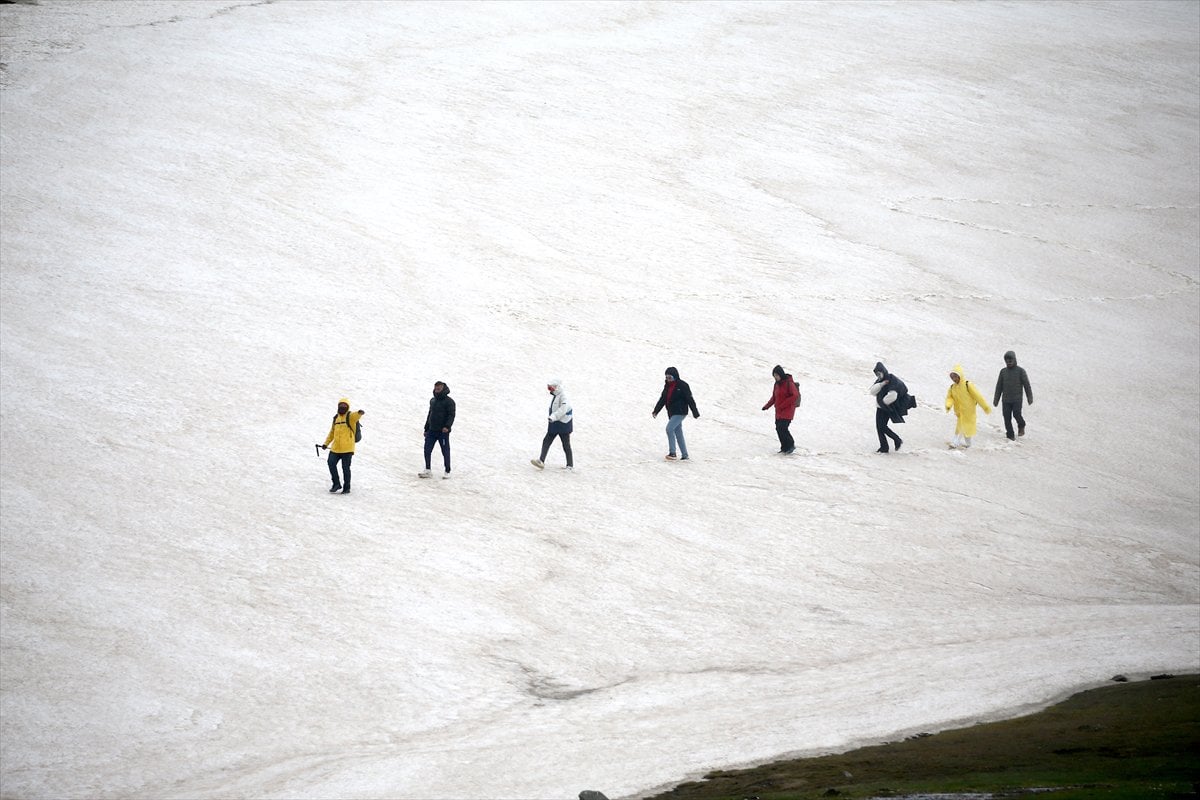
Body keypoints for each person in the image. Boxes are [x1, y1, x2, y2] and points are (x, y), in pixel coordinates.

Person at [652, 366, 699, 461]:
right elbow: (663, 399)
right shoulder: (667, 386)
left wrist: (695, 412)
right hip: (672, 412)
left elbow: (690, 399)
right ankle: (685, 455)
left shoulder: (683, 385)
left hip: (680, 412)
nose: (668, 379)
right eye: (667, 377)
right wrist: (656, 410)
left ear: (675, 377)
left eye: (670, 377)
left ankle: (672, 453)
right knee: (678, 432)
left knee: (669, 429)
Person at [320, 398, 364, 493]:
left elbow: (355, 415)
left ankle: (346, 488)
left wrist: (359, 413)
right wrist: (325, 444)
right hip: (335, 448)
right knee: (331, 463)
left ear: (347, 407)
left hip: (347, 449)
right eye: (341, 405)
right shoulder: (336, 418)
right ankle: (336, 484)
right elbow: (332, 432)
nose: (342, 407)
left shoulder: (350, 417)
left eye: (344, 406)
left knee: (345, 468)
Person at [869, 362, 912, 453]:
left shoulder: (892, 380)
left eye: (879, 373)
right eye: (877, 374)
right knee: (879, 427)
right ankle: (884, 447)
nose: (878, 376)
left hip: (887, 407)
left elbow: (893, 396)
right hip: (880, 407)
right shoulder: (880, 381)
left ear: (883, 371)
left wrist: (883, 403)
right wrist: (881, 384)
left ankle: (897, 440)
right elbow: (872, 392)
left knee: (882, 427)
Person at [945, 365, 991, 448]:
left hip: (969, 412)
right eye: (952, 377)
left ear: (960, 375)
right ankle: (969, 445)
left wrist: (985, 407)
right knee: (966, 430)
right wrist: (948, 405)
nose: (953, 378)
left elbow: (978, 396)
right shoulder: (952, 387)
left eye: (955, 376)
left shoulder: (967, 384)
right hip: (959, 412)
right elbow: (950, 397)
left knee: (961, 427)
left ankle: (955, 443)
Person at [532, 378, 573, 470]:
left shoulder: (563, 396)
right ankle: (541, 460)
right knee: (546, 441)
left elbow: (563, 409)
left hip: (563, 424)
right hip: (554, 423)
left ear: (557, 387)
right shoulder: (557, 395)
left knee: (566, 445)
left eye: (551, 388)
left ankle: (570, 465)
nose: (550, 391)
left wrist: (553, 416)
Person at [993, 350, 1033, 440]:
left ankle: (1021, 424)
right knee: (1006, 418)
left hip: (1017, 399)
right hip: (1006, 400)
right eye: (1007, 360)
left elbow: (1027, 385)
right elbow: (999, 387)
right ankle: (1010, 436)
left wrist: (1029, 397)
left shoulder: (1020, 371)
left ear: (1015, 359)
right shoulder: (1003, 372)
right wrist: (996, 399)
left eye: (1010, 360)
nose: (1009, 362)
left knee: (1016, 413)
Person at [419, 381, 455, 478]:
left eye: (439, 389)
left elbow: (451, 415)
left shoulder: (449, 402)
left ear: (443, 389)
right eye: (436, 389)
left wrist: (447, 426)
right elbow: (430, 414)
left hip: (442, 432)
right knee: (427, 449)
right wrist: (426, 428)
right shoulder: (433, 400)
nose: (437, 391)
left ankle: (447, 471)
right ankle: (428, 469)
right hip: (432, 430)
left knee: (445, 451)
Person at [762, 365, 800, 454]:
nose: (775, 377)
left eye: (776, 375)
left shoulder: (789, 383)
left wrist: (783, 405)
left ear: (780, 374)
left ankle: (790, 445)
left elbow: (795, 395)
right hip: (779, 411)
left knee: (782, 428)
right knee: (778, 429)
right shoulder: (776, 385)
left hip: (787, 410)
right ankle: (784, 448)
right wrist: (767, 406)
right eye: (774, 376)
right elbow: (774, 397)